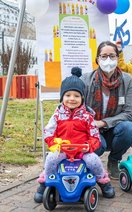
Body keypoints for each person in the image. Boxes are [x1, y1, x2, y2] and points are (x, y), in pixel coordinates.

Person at [34, 67, 115, 203]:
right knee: (51, 159)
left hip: (82, 150)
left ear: (82, 98)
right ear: (62, 97)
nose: (72, 99)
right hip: (63, 149)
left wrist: (88, 146)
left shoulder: (87, 117)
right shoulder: (57, 115)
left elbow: (95, 136)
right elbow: (48, 131)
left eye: (76, 96)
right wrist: (54, 144)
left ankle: (102, 180)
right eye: (68, 95)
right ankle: (45, 181)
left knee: (93, 161)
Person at [81, 41, 132, 179]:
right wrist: (92, 124)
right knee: (98, 146)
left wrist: (103, 123)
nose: (108, 60)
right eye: (104, 56)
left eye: (112, 56)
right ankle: (91, 163)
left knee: (130, 129)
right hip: (91, 129)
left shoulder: (127, 80)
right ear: (97, 59)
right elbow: (78, 108)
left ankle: (114, 160)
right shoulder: (85, 80)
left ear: (118, 58)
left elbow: (129, 113)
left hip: (114, 128)